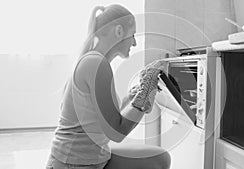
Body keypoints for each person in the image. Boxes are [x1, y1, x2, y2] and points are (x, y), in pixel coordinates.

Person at [46, 4, 171, 169]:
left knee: (160, 159)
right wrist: (146, 91)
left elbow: (105, 120)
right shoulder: (95, 63)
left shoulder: (95, 61)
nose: (134, 43)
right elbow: (116, 132)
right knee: (160, 160)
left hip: (93, 157)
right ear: (119, 31)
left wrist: (130, 99)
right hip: (73, 163)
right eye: (132, 35)